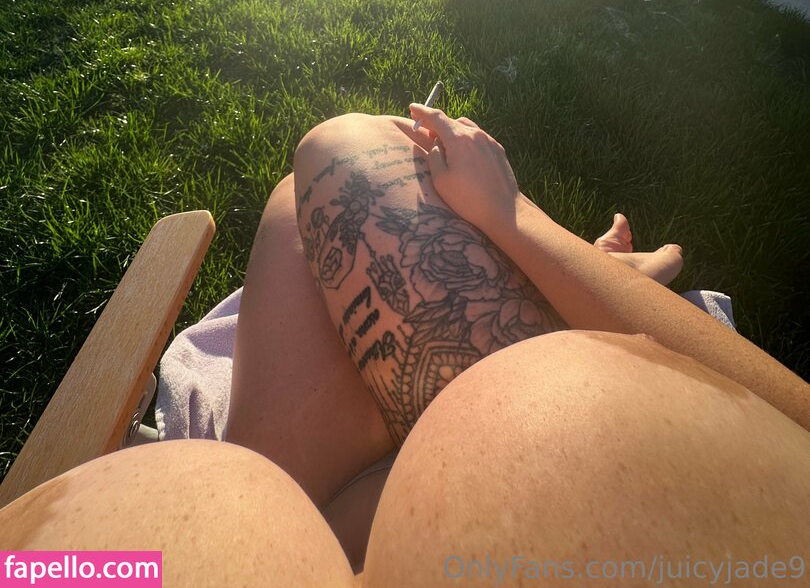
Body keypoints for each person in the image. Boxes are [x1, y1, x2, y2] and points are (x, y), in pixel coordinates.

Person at [2, 107, 808, 585]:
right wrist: (515, 218)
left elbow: (48, 569)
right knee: (337, 168)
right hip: (481, 474)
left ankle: (584, 283)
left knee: (319, 178)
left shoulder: (54, 570)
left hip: (306, 520)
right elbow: (784, 414)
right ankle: (587, 282)